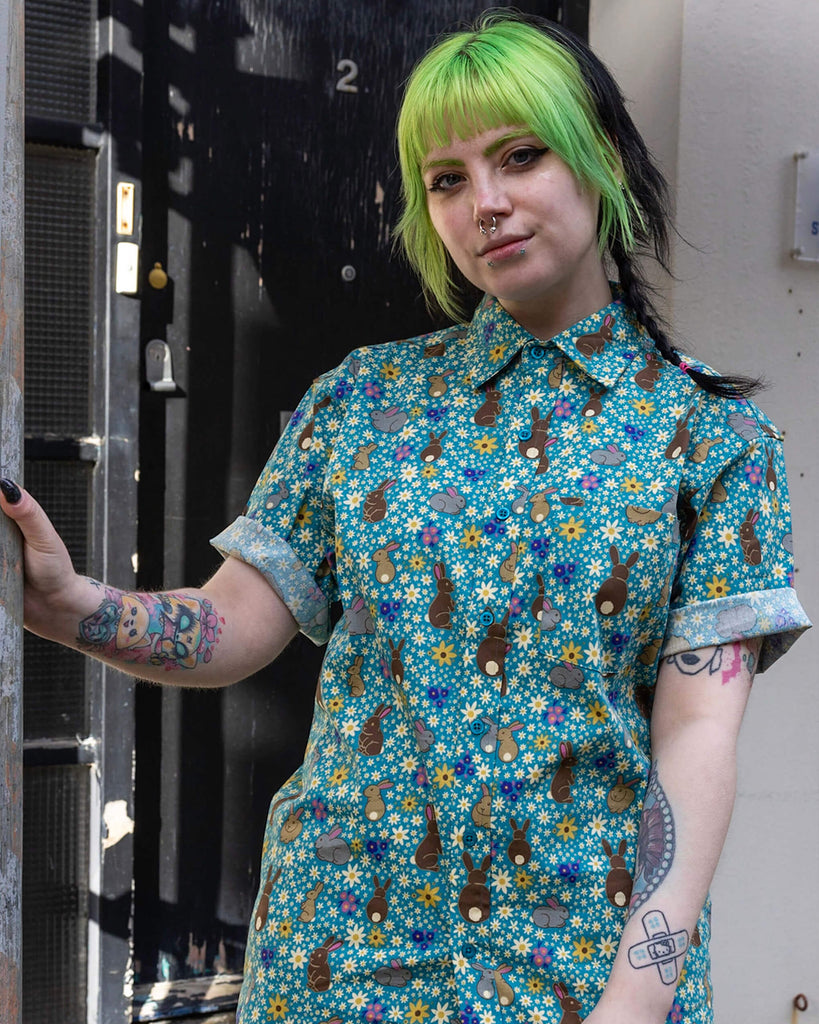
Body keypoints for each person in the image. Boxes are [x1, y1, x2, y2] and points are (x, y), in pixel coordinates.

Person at [1, 12, 810, 1024]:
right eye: (448, 179)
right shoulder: (363, 405)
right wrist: (71, 605)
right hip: (344, 957)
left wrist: (635, 1001)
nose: (489, 203)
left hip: (584, 968)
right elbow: (233, 626)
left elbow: (698, 742)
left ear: (600, 158)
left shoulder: (714, 443)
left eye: (522, 156)